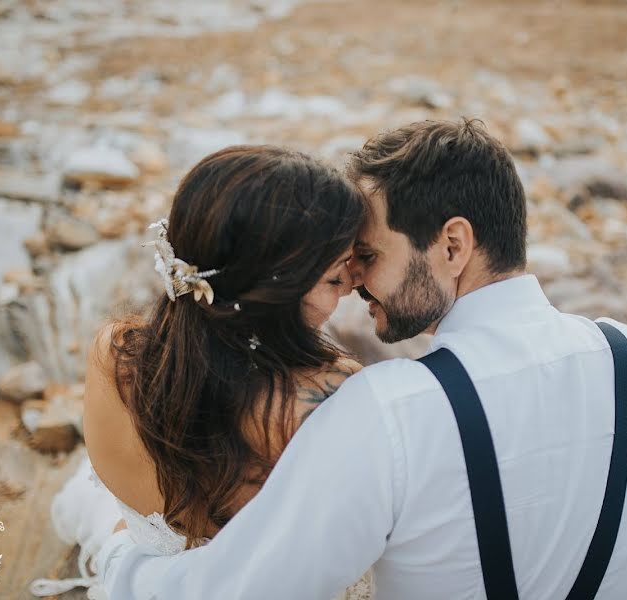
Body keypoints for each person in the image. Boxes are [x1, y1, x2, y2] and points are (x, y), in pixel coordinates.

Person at [98, 119, 627, 599]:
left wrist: (116, 557)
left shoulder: (389, 411)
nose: (356, 280)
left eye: (369, 254)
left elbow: (235, 591)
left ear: (453, 246)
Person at [30, 145, 373, 599]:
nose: (352, 286)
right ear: (275, 289)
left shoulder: (116, 352)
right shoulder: (329, 397)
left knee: (96, 504)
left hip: (147, 571)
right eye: (335, 278)